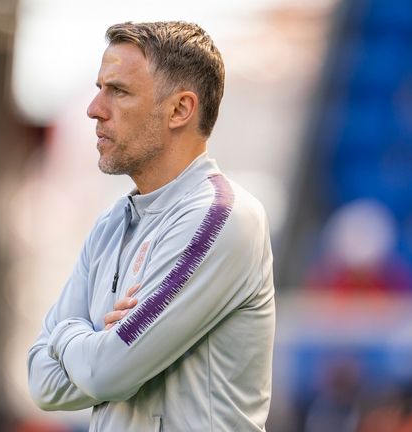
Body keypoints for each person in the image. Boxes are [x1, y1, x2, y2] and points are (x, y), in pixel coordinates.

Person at [27, 21, 275, 431]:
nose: (94, 108)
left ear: (180, 109)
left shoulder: (223, 217)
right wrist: (97, 343)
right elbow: (41, 381)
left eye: (118, 91)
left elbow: (107, 374)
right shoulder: (110, 224)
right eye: (100, 87)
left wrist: (71, 332)